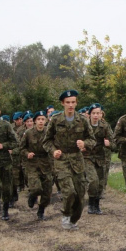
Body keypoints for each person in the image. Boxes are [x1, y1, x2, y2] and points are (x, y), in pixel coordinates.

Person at [43, 90, 95, 230]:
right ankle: (66, 215)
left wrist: (85, 144)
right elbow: (46, 141)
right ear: (62, 103)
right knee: (69, 191)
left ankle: (73, 220)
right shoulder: (55, 120)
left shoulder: (83, 120)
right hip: (61, 160)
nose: (70, 105)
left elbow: (92, 140)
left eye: (73, 102)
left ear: (76, 103)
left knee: (80, 194)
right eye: (68, 102)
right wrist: (54, 151)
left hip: (77, 160)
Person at [83, 103, 116, 214]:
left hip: (100, 158)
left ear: (101, 114)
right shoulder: (84, 125)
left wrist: (108, 144)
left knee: (101, 184)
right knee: (93, 180)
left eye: (98, 113)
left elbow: (114, 144)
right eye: (94, 113)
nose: (96, 115)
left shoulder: (105, 126)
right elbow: (76, 140)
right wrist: (81, 145)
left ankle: (96, 205)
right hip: (87, 157)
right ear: (89, 114)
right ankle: (91, 204)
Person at [20, 110, 53, 220]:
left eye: (42, 119)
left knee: (47, 192)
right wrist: (27, 153)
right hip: (33, 164)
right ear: (35, 121)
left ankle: (41, 210)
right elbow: (22, 148)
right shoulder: (28, 133)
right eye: (38, 119)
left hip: (46, 164)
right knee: (36, 188)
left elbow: (54, 146)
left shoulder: (50, 133)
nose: (40, 121)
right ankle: (32, 195)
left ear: (46, 120)